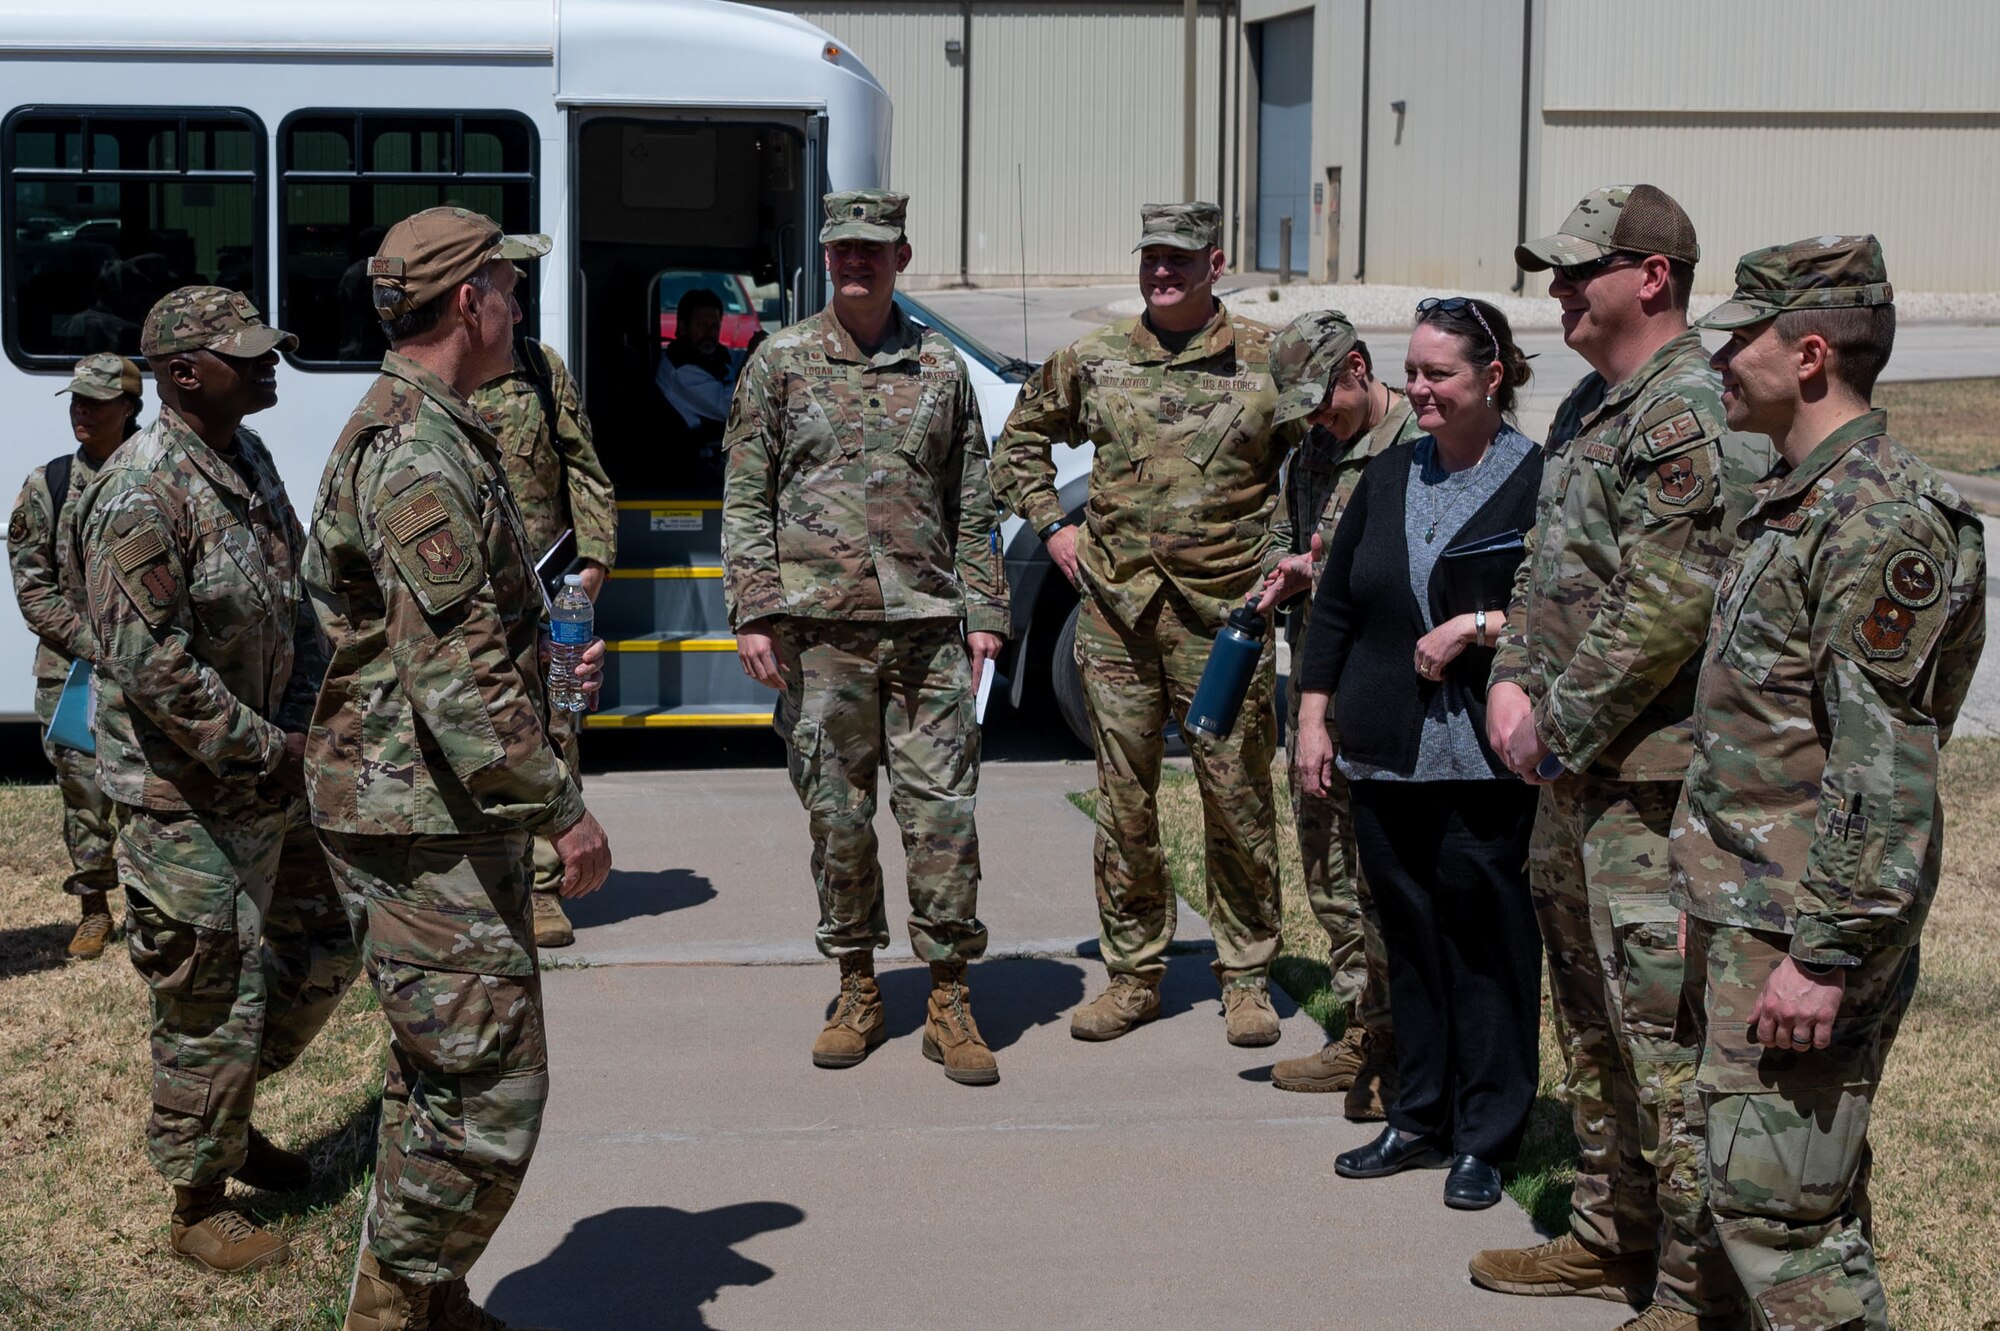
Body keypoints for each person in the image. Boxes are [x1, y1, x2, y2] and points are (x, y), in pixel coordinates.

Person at [304, 207, 613, 1331]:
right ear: (467, 303)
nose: (519, 307)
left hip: (432, 804)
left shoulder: (439, 423)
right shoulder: (415, 453)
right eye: (506, 287)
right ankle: (392, 1299)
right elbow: (457, 677)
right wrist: (562, 811)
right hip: (414, 811)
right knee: (494, 1084)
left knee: (444, 1070)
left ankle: (427, 1289)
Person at [1471, 185, 1770, 1331]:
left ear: (1648, 276)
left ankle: (1696, 1292)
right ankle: (1610, 1233)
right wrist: (1507, 679)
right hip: (1576, 787)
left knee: (1668, 1047)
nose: (1553, 290)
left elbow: (1667, 601)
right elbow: (1544, 571)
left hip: (1650, 791)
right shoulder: (1593, 407)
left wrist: (1554, 724)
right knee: (1589, 1020)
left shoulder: (1683, 409)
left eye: (1574, 269)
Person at [1673, 235, 1984, 1331]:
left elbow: (1880, 761)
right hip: (1750, 909)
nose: (1716, 360)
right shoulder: (1797, 500)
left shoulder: (1877, 520)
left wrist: (1822, 952)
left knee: (1781, 1224)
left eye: (1738, 339)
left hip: (1801, 926)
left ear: (1808, 355)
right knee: (1778, 1196)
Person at [74, 288, 359, 1273]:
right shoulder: (141, 490)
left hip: (275, 767)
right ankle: (196, 1202)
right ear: (186, 374)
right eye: (250, 353)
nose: (271, 361)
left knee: (326, 940)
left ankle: (223, 1114)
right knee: (210, 990)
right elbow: (150, 664)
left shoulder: (246, 460)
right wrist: (260, 745)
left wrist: (309, 718)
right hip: (184, 793)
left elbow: (296, 599)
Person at [721, 189, 1010, 1086]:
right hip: (821, 637)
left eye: (873, 249)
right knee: (839, 824)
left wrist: (988, 611)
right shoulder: (780, 362)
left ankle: (949, 995)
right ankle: (855, 985)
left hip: (925, 633)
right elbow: (744, 494)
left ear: (902, 257)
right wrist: (755, 606)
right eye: (843, 248)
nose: (857, 262)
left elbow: (974, 499)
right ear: (826, 255)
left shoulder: (942, 369)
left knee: (942, 821)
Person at [993, 201, 1290, 1048]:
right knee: (1126, 804)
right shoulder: (1095, 358)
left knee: (1235, 797)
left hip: (1222, 618)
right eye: (1152, 259)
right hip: (1118, 614)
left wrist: (1291, 557)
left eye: (1181, 260)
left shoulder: (1268, 360)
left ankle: (1245, 974)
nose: (1163, 273)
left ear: (1216, 263)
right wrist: (1055, 529)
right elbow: (1019, 443)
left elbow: (1320, 457)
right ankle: (1134, 973)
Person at [1291, 296, 1543, 1210]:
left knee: (1486, 948)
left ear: (1492, 376)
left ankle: (1487, 1131)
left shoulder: (1538, 478)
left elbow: (1571, 604)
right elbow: (1337, 610)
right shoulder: (1389, 476)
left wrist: (1477, 626)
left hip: (1482, 764)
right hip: (1385, 756)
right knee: (1410, 941)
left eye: (1440, 372)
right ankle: (1419, 1111)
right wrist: (1314, 720)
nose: (1420, 389)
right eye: (1414, 371)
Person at [1255, 310, 1423, 1117]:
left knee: (1384, 879)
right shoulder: (1313, 455)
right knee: (1327, 874)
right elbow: (1303, 547)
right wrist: (1294, 575)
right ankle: (1363, 1024)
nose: (1315, 419)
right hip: (1321, 694)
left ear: (1359, 367)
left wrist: (1318, 571)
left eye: (1322, 399)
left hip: (1390, 695)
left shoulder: (1418, 445)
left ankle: (1399, 1047)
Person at [472, 321, 618, 950]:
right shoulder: (428, 370)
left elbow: (583, 467)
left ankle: (543, 883)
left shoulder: (538, 366)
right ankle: (476, 881)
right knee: (474, 721)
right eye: (503, 281)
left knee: (552, 723)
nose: (516, 297)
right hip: (466, 585)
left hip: (546, 581)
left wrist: (593, 566)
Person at [8, 352, 141, 959]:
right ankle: (93, 906)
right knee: (83, 792)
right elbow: (31, 585)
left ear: (130, 407)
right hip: (73, 672)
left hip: (155, 666)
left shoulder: (158, 472)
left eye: (96, 402)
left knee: (153, 790)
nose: (82, 412)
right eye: (77, 401)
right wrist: (94, 646)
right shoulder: (50, 483)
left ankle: (151, 906)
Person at [657, 286, 748, 478]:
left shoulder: (713, 355)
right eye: (702, 325)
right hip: (697, 457)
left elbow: (737, 359)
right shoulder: (681, 369)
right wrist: (750, 367)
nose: (709, 333)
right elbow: (729, 409)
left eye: (714, 326)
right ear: (683, 327)